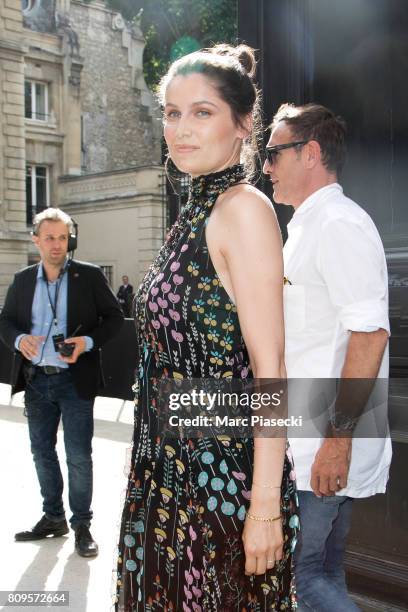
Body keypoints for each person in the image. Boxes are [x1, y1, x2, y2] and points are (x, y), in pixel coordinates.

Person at [115, 45, 298, 610]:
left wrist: (263, 506)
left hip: (221, 485)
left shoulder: (241, 209)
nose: (181, 129)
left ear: (244, 124)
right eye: (172, 113)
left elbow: (270, 371)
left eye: (202, 112)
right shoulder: (191, 213)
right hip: (168, 474)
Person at [263, 103, 392, 611]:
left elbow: (370, 336)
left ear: (311, 153)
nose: (266, 166)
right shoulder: (308, 226)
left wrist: (336, 444)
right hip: (312, 437)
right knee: (326, 572)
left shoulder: (338, 223)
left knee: (302, 579)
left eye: (274, 153)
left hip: (326, 441)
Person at [0, 208, 124, 557]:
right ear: (36, 240)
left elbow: (114, 319)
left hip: (75, 381)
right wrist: (19, 338)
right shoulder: (23, 279)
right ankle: (54, 518)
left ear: (71, 239)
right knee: (42, 453)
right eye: (50, 237)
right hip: (36, 380)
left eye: (63, 237)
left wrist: (85, 343)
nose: (57, 244)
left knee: (79, 456)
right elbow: (6, 320)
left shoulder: (90, 276)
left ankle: (82, 524)